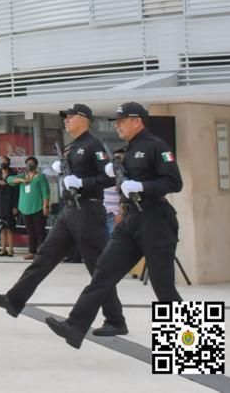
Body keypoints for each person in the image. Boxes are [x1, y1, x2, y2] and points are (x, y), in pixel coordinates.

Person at [46, 102, 183, 349]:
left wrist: (142, 187)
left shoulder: (156, 146)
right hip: (131, 219)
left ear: (137, 121)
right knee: (103, 273)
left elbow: (174, 182)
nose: (117, 126)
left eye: (121, 121)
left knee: (163, 286)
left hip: (156, 220)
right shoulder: (127, 150)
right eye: (116, 122)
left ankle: (192, 349)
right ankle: (74, 326)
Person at [0, 103, 128, 338]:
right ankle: (14, 300)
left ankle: (115, 320)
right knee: (45, 257)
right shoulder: (72, 146)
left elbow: (108, 178)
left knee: (98, 269)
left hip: (88, 211)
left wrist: (82, 183)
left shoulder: (93, 145)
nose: (66, 120)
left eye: (71, 117)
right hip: (70, 211)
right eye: (65, 117)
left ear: (84, 120)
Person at [6, 157, 48, 260]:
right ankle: (31, 252)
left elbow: (45, 193)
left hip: (37, 207)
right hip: (25, 208)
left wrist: (45, 207)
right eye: (27, 163)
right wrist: (21, 180)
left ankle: (42, 253)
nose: (29, 165)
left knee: (39, 231)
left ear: (36, 165)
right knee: (30, 231)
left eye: (32, 163)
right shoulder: (23, 176)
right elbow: (9, 180)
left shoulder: (40, 177)